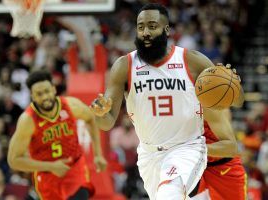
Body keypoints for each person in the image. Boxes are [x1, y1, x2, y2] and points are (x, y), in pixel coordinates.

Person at [91, 3, 244, 200]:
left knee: (169, 194)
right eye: (140, 27)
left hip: (187, 148)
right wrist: (101, 114)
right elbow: (106, 123)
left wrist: (234, 86)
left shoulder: (192, 61)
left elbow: (236, 101)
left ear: (166, 30)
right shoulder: (124, 66)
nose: (145, 32)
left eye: (152, 26)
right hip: (149, 154)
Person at [7, 70, 107, 200]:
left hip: (75, 169)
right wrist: (51, 166)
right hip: (48, 177)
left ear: (54, 89)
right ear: (32, 96)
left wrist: (98, 154)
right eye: (39, 94)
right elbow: (13, 160)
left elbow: (90, 118)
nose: (44, 97)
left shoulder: (71, 105)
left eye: (47, 91)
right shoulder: (28, 121)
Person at [190, 109, 247, 200]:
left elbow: (230, 149)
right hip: (193, 164)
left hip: (224, 167)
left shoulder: (214, 103)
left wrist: (195, 148)